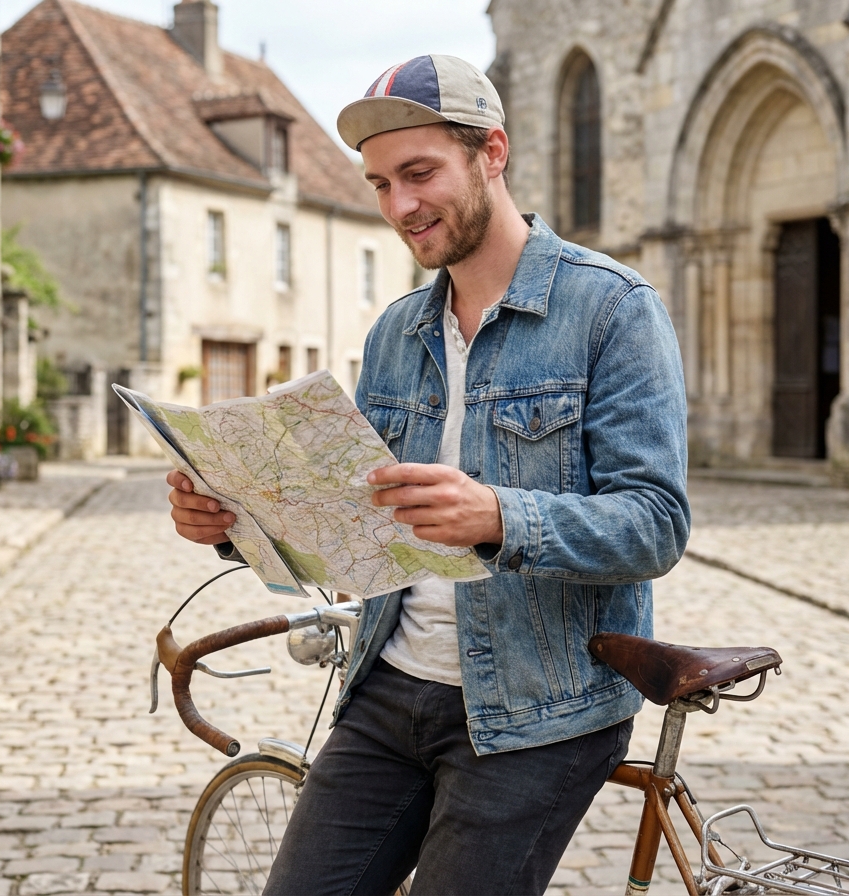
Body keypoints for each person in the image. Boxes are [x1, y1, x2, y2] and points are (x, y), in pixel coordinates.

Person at [167, 54, 689, 896]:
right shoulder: (395, 333)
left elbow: (655, 523)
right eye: (379, 184)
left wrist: (501, 516)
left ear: (492, 153)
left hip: (536, 712)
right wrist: (235, 523)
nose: (399, 206)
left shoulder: (614, 310)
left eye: (419, 173)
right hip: (388, 690)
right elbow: (360, 531)